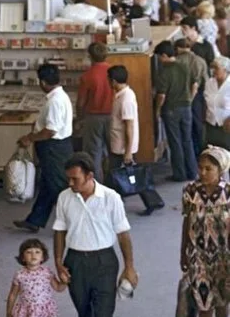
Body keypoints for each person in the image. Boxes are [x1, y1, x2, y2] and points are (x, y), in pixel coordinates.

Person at [53, 152, 138, 317]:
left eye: (75, 179)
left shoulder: (111, 198)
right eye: (68, 179)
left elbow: (123, 234)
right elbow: (59, 230)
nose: (70, 184)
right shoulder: (64, 198)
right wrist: (58, 262)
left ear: (90, 176)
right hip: (75, 262)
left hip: (104, 262)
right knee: (84, 313)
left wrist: (129, 266)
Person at [180, 146, 230, 317]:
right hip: (198, 256)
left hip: (225, 257)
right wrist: (183, 252)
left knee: (222, 305)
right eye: (200, 168)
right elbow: (186, 221)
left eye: (208, 168)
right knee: (203, 306)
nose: (202, 172)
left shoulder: (228, 193)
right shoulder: (190, 191)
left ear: (221, 170)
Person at [14, 64, 73, 232]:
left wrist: (29, 138)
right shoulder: (60, 96)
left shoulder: (55, 101)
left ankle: (75, 223)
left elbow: (50, 131)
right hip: (58, 146)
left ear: (43, 82)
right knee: (47, 185)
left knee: (58, 188)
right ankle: (35, 220)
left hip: (53, 148)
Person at [107, 65, 164, 216]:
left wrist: (128, 152)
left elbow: (129, 126)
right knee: (133, 175)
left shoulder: (126, 99)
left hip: (122, 146)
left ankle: (114, 205)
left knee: (118, 175)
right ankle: (151, 200)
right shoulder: (122, 95)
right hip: (120, 145)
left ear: (113, 81)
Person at [154, 40, 197, 182]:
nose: (160, 60)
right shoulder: (184, 66)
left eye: (160, 57)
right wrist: (189, 99)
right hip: (186, 107)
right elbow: (194, 84)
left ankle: (180, 174)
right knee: (187, 140)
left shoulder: (164, 71)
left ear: (165, 55)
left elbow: (161, 95)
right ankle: (192, 172)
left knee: (175, 142)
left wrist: (157, 110)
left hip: (171, 109)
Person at [76, 42, 113, 183]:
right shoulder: (113, 71)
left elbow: (81, 102)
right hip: (112, 116)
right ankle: (116, 183)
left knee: (93, 154)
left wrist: (79, 119)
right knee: (114, 152)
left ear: (90, 56)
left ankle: (97, 185)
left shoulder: (87, 76)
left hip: (93, 117)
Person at [175, 37, 208, 155]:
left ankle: (190, 155)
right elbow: (205, 80)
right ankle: (201, 153)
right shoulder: (201, 60)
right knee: (198, 126)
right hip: (198, 97)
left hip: (181, 98)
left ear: (178, 48)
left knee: (184, 131)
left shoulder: (177, 61)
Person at [203, 56, 230, 149]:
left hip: (226, 126)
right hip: (211, 124)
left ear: (225, 69)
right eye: (212, 68)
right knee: (212, 153)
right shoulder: (209, 83)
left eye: (216, 68)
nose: (213, 71)